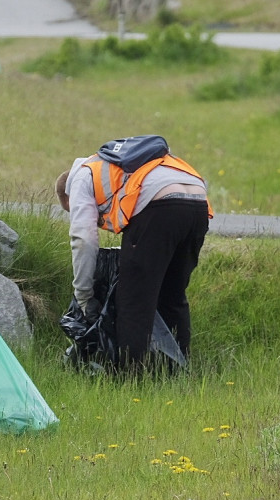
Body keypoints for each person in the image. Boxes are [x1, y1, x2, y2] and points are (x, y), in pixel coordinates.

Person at [55, 141, 211, 371]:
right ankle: (177, 371)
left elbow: (84, 241)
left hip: (158, 205)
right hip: (197, 203)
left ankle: (131, 378)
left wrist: (84, 296)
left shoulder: (81, 177)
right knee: (173, 295)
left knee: (133, 299)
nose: (98, 221)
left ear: (68, 198)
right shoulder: (116, 166)